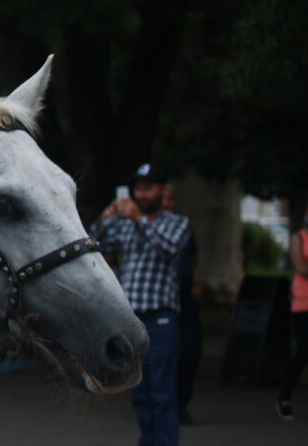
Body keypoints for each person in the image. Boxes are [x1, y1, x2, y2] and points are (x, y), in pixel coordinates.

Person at [97, 163, 191, 446]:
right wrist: (104, 220)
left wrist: (140, 219)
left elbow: (169, 247)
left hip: (161, 320)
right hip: (132, 322)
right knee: (141, 392)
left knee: (163, 392)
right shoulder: (126, 225)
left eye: (148, 188)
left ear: (163, 191)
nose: (142, 194)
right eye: (138, 188)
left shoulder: (177, 223)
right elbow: (99, 248)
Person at [162, 184, 201, 425]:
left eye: (172, 198)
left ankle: (181, 402)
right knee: (165, 355)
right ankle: (167, 406)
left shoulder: (181, 225)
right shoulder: (142, 225)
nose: (168, 203)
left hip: (184, 299)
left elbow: (192, 256)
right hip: (161, 301)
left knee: (190, 353)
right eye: (164, 198)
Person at [277, 216, 308, 421]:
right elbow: (302, 268)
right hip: (303, 303)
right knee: (303, 351)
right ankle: (284, 397)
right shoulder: (299, 237)